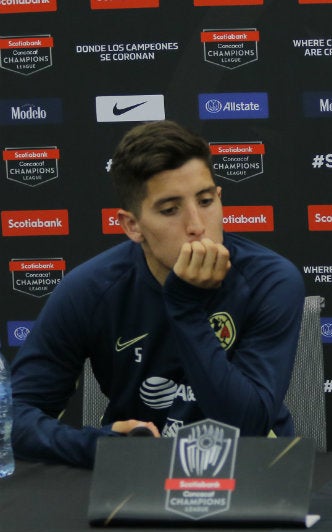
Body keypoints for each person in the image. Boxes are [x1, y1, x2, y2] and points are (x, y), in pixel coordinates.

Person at [11, 120, 305, 468]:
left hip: (253, 475)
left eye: (206, 201)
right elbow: (12, 417)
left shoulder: (271, 280)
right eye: (170, 210)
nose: (197, 224)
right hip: (138, 476)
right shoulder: (89, 289)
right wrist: (98, 446)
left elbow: (245, 426)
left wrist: (183, 303)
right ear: (132, 225)